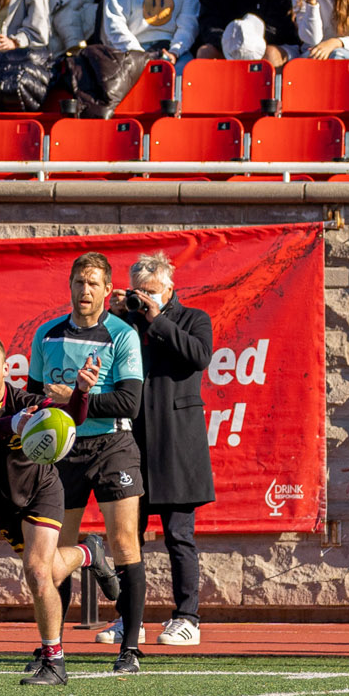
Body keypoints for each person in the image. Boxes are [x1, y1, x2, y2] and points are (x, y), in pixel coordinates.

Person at [0, 336, 105, 686]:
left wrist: (80, 392)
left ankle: (54, 662)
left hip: (41, 491)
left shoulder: (27, 402)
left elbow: (70, 420)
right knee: (46, 571)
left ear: (5, 369)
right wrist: (11, 425)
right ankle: (87, 552)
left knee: (36, 574)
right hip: (1, 506)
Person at [26, 252, 148, 670]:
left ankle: (129, 649)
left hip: (113, 446)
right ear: (70, 287)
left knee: (125, 543)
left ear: (107, 290)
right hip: (64, 451)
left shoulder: (123, 335)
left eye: (94, 283)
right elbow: (32, 396)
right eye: (79, 282)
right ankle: (51, 647)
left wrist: (76, 398)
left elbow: (130, 402)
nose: (85, 290)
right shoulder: (46, 335)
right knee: (55, 552)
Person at [112, 252, 214, 647]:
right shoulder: (125, 323)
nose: (145, 298)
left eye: (152, 291)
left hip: (177, 441)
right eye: (140, 292)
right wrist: (119, 314)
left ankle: (188, 616)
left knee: (178, 534)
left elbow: (198, 356)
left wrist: (157, 318)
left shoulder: (193, 319)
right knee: (127, 534)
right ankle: (129, 619)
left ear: (170, 289)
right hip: (132, 440)